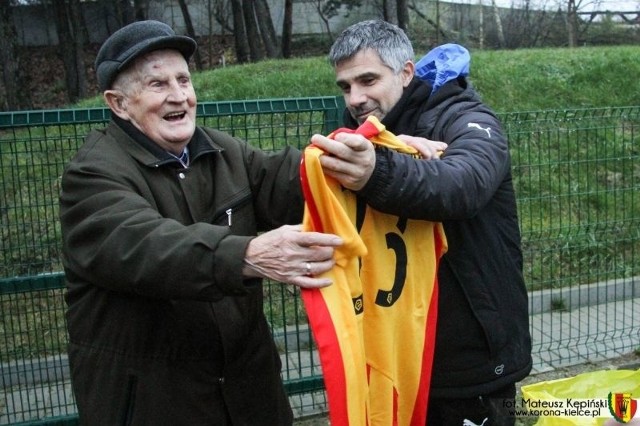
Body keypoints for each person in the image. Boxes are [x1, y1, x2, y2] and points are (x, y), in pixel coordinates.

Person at [59, 20, 342, 426]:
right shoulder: (91, 176)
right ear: (118, 104)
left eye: (184, 80)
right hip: (159, 404)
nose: (179, 96)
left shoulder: (221, 151)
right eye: (158, 85)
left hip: (249, 396)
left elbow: (294, 179)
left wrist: (374, 156)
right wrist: (245, 254)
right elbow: (146, 246)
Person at [311, 19, 532, 426]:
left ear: (406, 73)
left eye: (367, 80)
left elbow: (464, 184)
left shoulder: (465, 117)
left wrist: (377, 172)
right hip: (398, 357)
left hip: (469, 359)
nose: (355, 98)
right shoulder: (367, 136)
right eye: (345, 86)